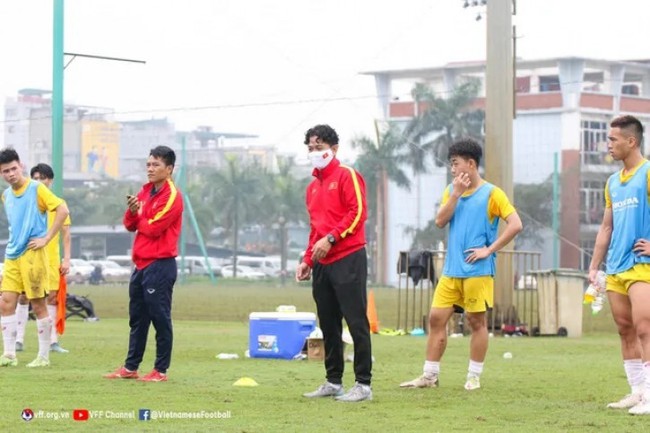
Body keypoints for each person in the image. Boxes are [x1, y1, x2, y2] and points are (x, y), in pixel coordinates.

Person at [400, 138, 522, 391]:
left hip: (477, 271)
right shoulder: (451, 190)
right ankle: (429, 376)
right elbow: (440, 221)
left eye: (456, 164)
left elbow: (516, 224)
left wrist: (488, 250)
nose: (453, 169)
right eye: (451, 165)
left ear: (471, 163)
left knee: (475, 322)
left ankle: (473, 376)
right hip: (451, 270)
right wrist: (455, 194)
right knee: (436, 319)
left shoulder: (492, 193)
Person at [296, 124, 372, 402]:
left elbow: (358, 212)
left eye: (320, 147)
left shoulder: (347, 175)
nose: (316, 153)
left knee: (356, 321)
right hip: (322, 264)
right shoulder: (311, 188)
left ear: (334, 148)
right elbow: (315, 229)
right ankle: (333, 381)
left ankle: (363, 384)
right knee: (328, 324)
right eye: (311, 148)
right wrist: (307, 260)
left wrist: (331, 238)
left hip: (348, 257)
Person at [587, 115, 650, 415]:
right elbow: (605, 229)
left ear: (631, 141)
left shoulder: (648, 172)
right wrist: (595, 266)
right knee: (625, 329)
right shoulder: (612, 182)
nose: (608, 144)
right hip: (616, 268)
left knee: (645, 327)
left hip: (643, 265)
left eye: (613, 139)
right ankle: (638, 392)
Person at [104, 145, 183, 382]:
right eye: (148, 164)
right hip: (140, 265)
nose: (150, 169)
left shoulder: (172, 196)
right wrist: (132, 212)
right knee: (138, 318)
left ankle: (160, 370)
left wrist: (139, 217)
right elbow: (131, 225)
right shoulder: (145, 191)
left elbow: (153, 228)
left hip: (160, 265)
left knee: (160, 317)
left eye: (156, 164)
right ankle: (130, 367)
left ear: (169, 169)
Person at [0, 148, 69, 367]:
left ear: (20, 165)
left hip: (33, 253)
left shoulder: (37, 188)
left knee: (38, 304)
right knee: (5, 302)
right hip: (12, 255)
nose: (11, 174)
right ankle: (9, 354)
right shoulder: (6, 195)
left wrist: (46, 238)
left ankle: (43, 356)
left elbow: (63, 210)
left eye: (13, 168)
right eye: (5, 171)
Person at [15, 163, 71, 354]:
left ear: (50, 180)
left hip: (51, 257)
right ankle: (18, 339)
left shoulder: (58, 203)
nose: (39, 182)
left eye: (43, 178)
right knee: (23, 296)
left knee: (52, 298)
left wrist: (67, 259)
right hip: (29, 256)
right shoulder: (25, 201)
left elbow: (66, 234)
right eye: (35, 178)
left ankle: (53, 341)